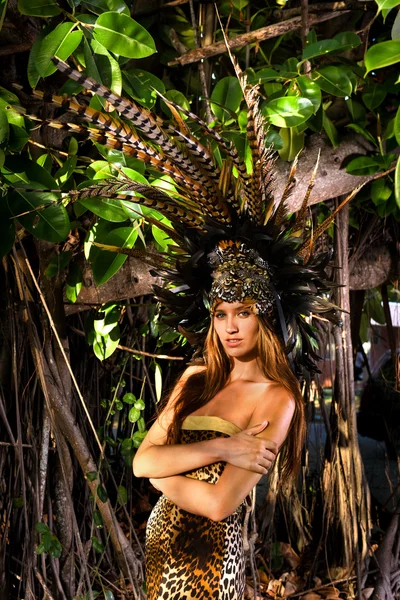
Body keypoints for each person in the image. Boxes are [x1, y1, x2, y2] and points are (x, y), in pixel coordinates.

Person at [133, 299, 305, 599]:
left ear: (265, 319)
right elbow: (141, 462)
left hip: (211, 558)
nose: (231, 327)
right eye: (220, 314)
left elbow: (219, 504)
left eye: (243, 313)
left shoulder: (277, 398)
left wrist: (160, 477)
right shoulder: (195, 379)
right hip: (161, 545)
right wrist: (223, 448)